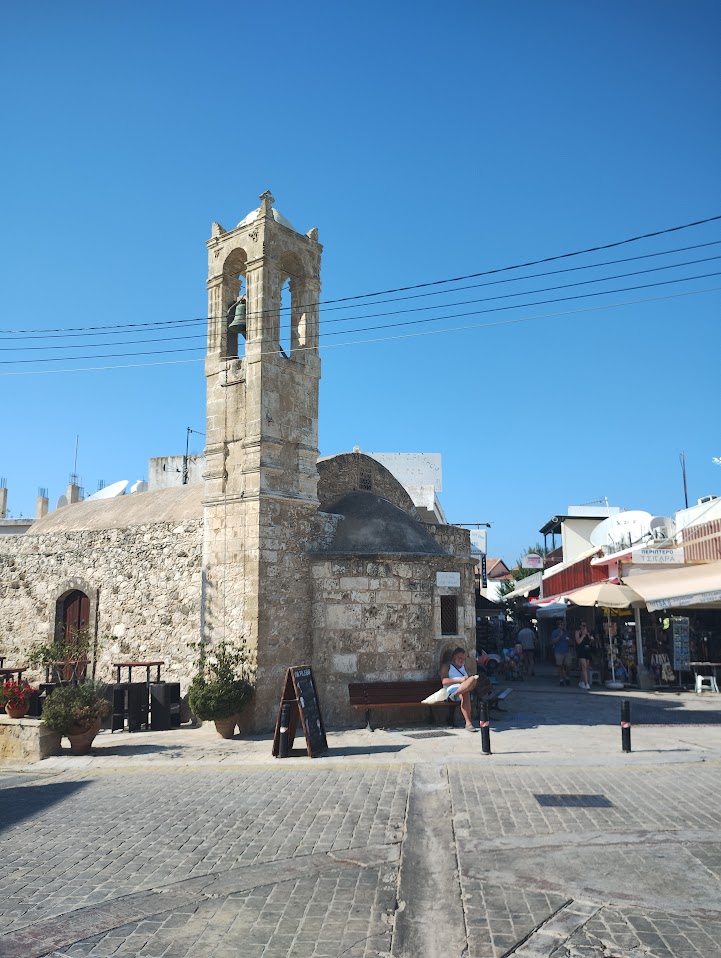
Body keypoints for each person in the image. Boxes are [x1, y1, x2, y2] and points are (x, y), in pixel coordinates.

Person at [440, 647, 478, 731]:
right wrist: (460, 680)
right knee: (465, 693)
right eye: (460, 658)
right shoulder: (447, 666)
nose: (462, 660)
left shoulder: (463, 667)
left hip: (461, 689)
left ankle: (457, 693)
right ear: (454, 657)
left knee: (473, 679)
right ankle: (468, 723)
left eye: (463, 659)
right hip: (451, 690)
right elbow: (444, 681)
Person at [551, 620, 572, 686]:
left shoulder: (566, 632)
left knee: (568, 665)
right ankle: (561, 679)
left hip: (566, 651)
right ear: (558, 625)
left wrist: (569, 640)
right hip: (558, 651)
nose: (563, 626)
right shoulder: (555, 632)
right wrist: (559, 636)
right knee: (560, 666)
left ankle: (567, 676)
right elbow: (552, 642)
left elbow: (570, 641)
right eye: (561, 625)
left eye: (563, 624)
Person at [575, 621, 595, 690]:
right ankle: (586, 683)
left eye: (585, 625)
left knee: (586, 667)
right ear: (580, 626)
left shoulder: (587, 632)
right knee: (583, 666)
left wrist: (591, 638)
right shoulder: (578, 632)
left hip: (587, 650)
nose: (584, 627)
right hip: (581, 651)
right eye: (582, 625)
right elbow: (578, 641)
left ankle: (581, 681)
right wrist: (583, 635)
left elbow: (589, 641)